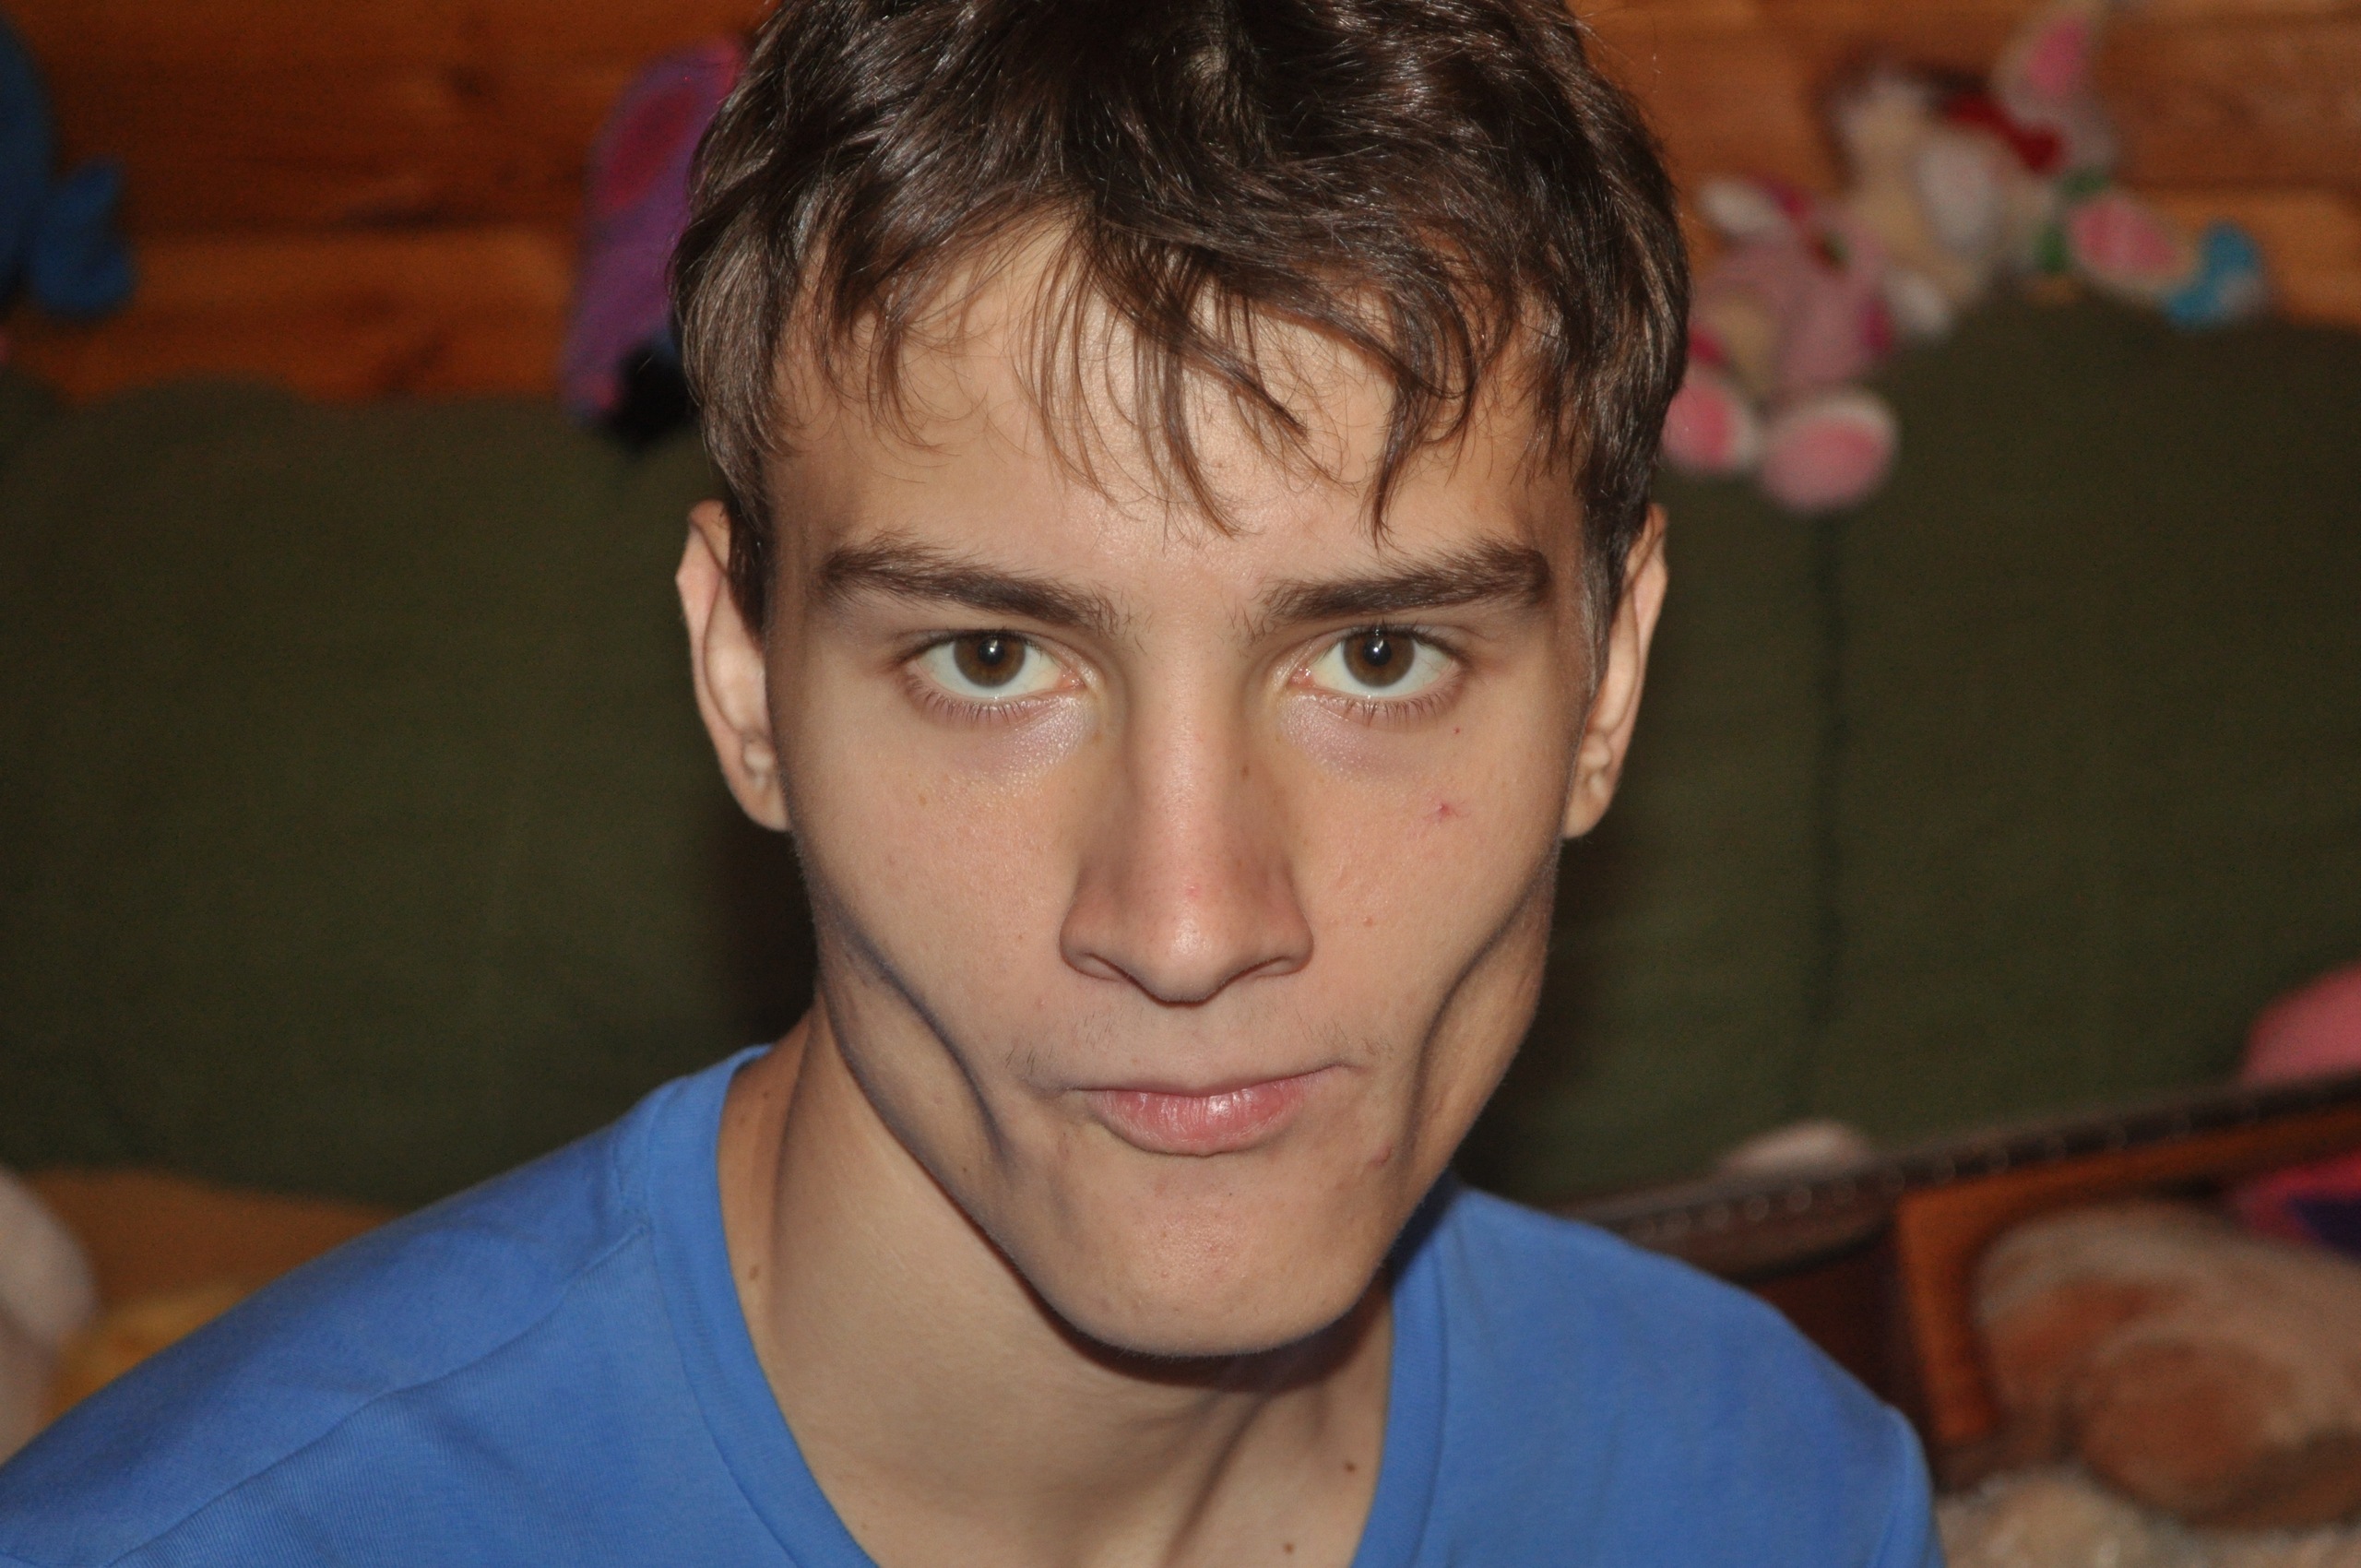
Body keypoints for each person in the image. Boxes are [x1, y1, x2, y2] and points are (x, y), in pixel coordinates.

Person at [0, 0, 1940, 1562]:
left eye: (1376, 656)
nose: (1187, 925)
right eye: (991, 659)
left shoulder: (1780, 1497)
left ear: (1607, 685)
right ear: (743, 682)